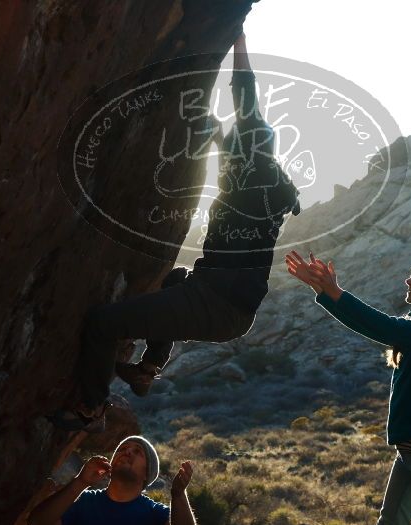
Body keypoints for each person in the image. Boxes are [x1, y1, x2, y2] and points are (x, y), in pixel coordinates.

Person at [49, 32, 301, 431]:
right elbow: (233, 141)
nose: (227, 159)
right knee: (171, 278)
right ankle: (147, 369)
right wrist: (218, 134)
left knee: (102, 323)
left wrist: (237, 40)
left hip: (218, 304)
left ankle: (91, 408)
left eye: (232, 150)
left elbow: (245, 95)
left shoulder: (259, 171)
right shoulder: (264, 179)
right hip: (221, 299)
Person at [286, 250, 411, 525]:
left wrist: (335, 292)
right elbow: (372, 325)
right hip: (410, 451)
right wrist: (324, 292)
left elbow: (382, 327)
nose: (408, 281)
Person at [27, 435, 196, 525]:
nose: (127, 452)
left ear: (147, 473)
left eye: (137, 451)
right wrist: (80, 482)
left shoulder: (155, 513)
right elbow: (37, 524)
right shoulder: (84, 501)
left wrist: (179, 495)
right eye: (122, 449)